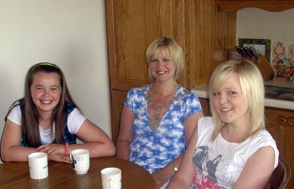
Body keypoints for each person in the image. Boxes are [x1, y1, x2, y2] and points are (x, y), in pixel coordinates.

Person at [167, 60, 279, 189]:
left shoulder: (262, 149)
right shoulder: (205, 126)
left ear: (252, 95)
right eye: (216, 93)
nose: (221, 100)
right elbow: (181, 179)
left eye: (231, 92)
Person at [116, 37, 203, 188]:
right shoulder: (134, 96)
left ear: (177, 63)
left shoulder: (189, 101)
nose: (160, 65)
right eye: (154, 60)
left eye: (166, 59)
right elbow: (124, 139)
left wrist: (161, 176)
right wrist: (125, 171)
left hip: (175, 176)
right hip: (135, 172)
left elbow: (194, 149)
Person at [0, 62, 115, 163]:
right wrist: (49, 155)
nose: (46, 94)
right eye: (39, 88)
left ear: (61, 91)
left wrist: (62, 149)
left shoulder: (70, 114)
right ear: (29, 90)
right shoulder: (19, 112)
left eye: (53, 89)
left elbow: (108, 148)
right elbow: (6, 153)